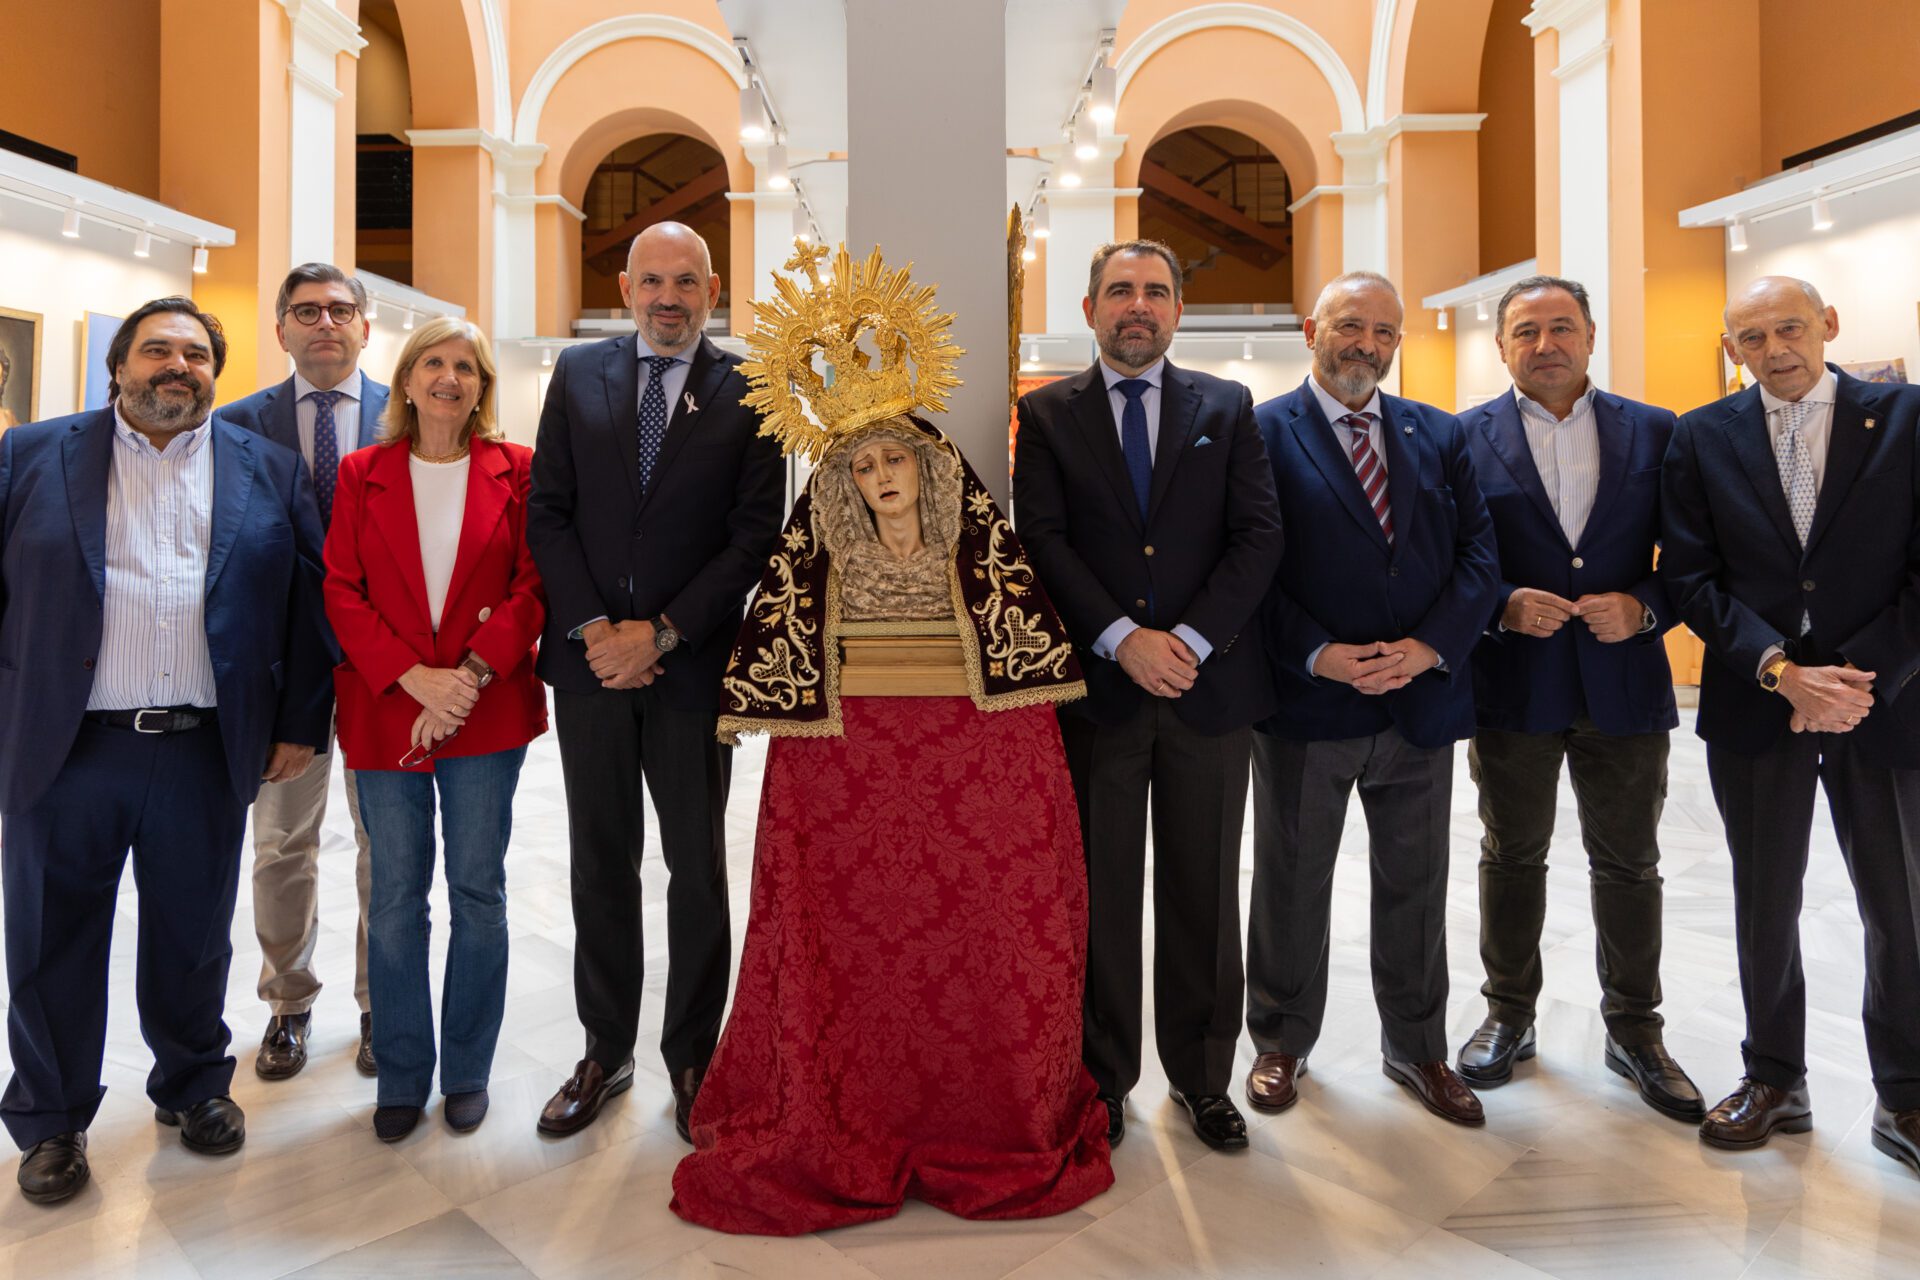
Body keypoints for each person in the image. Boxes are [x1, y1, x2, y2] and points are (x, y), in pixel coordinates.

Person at [672, 242, 1109, 1232]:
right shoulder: (820, 565)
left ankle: (984, 1101)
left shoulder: (978, 556)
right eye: (861, 465)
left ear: (928, 463)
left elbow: (1017, 652)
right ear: (840, 484)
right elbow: (788, 653)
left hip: (967, 750)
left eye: (895, 457)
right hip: (849, 760)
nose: (882, 477)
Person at [0, 297, 334, 1203]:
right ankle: (52, 1120)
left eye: (195, 353)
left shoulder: (265, 468)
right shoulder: (32, 456)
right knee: (49, 939)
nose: (176, 367)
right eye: (157, 350)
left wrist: (300, 722)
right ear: (119, 365)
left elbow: (308, 606)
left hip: (200, 746)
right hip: (66, 748)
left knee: (192, 937)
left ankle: (191, 1087)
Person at [1014, 239, 1283, 1152]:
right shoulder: (1046, 413)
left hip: (1209, 690)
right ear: (1089, 308)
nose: (1139, 306)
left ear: (1178, 310)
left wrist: (1190, 643)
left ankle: (1204, 1080)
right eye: (1121, 291)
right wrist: (1125, 641)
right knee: (1099, 895)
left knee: (1205, 894)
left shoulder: (1228, 405)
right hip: (1099, 694)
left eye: (1156, 292)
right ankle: (1102, 1078)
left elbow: (1257, 539)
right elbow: (1043, 541)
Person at [527, 222, 785, 1141]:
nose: (667, 297)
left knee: (696, 868)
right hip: (592, 667)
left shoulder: (749, 387)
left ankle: (692, 1055)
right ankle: (607, 1049)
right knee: (599, 863)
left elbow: (755, 535)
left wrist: (666, 632)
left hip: (691, 671)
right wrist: (599, 630)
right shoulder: (578, 375)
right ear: (626, 287)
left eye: (686, 281)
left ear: (713, 290)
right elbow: (547, 513)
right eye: (651, 281)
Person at [1662, 275, 1920, 1171]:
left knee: (1901, 905)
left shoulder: (1907, 415)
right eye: (1752, 338)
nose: (1775, 350)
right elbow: (1690, 577)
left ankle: (1908, 1095)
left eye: (1791, 329)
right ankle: (1774, 1077)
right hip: (1758, 703)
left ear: (1829, 326)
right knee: (1764, 900)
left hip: (1883, 705)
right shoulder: (1700, 436)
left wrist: (1854, 683)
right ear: (1731, 349)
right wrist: (1780, 671)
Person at [1247, 271, 1497, 1127]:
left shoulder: (1439, 433)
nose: (1368, 346)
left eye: (1385, 333)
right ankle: (1281, 1043)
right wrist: (1320, 654)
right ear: (1312, 326)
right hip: (1310, 704)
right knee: (1290, 883)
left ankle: (1418, 1046)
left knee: (1418, 887)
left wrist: (1430, 648)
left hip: (1418, 705)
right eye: (1351, 326)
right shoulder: (1260, 432)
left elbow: (1478, 556)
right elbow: (1249, 571)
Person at [1453, 275, 1703, 1121]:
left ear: (1592, 335)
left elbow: (1693, 561)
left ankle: (1636, 1029)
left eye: (1562, 327)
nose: (1546, 344)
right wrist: (1497, 607)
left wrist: (1647, 608)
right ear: (1502, 346)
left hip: (1623, 682)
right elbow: (1450, 564)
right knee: (1511, 855)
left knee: (1629, 863)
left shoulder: (1658, 431)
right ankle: (1507, 1015)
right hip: (1514, 686)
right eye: (1526, 331)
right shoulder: (1460, 439)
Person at [322, 316, 545, 1141]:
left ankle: (468, 1070)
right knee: (394, 900)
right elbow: (341, 589)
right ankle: (404, 1075)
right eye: (434, 363)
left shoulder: (516, 471)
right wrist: (415, 678)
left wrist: (470, 677)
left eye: (467, 368)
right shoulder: (362, 472)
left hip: (485, 715)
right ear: (407, 380)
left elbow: (533, 586)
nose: (450, 378)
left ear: (483, 387)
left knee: (477, 893)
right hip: (389, 711)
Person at [218, 262, 388, 1081]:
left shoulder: (414, 413)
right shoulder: (236, 426)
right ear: (280, 327)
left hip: (384, 668)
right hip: (283, 673)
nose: (325, 323)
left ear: (366, 325)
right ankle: (288, 1002)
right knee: (283, 844)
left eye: (340, 310)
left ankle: (377, 1004)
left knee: (383, 844)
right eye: (306, 311)